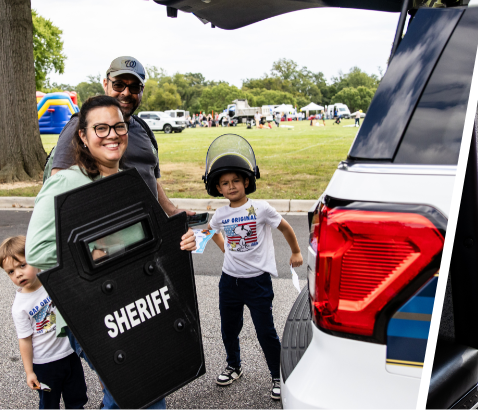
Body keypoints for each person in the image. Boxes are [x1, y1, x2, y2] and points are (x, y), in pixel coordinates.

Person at [28, 96, 199, 409]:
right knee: (141, 393)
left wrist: (181, 242)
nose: (112, 135)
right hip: (90, 313)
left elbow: (146, 243)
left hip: (133, 305)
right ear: (83, 135)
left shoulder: (129, 181)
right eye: (101, 128)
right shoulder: (67, 181)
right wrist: (97, 250)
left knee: (135, 392)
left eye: (118, 127)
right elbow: (37, 251)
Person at [202, 152, 301, 401]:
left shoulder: (260, 208)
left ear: (247, 181)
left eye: (236, 180)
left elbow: (285, 227)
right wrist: (223, 245)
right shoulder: (221, 214)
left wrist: (296, 251)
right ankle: (234, 366)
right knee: (228, 329)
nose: (231, 186)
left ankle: (278, 375)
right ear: (218, 188)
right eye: (225, 183)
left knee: (265, 331)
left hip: (257, 282)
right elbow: (210, 231)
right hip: (229, 281)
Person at [50, 56, 184, 218]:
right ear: (106, 84)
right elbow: (58, 187)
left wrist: (172, 211)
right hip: (109, 234)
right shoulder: (81, 126)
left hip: (150, 231)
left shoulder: (142, 127)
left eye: (134, 87)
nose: (126, 93)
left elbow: (150, 179)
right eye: (118, 85)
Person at [5, 236, 87, 409]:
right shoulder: (19, 307)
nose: (18, 273)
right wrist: (29, 372)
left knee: (77, 400)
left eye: (22, 265)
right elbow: (24, 340)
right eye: (11, 272)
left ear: (36, 259)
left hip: (70, 354)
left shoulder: (52, 282)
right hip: (45, 364)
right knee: (49, 404)